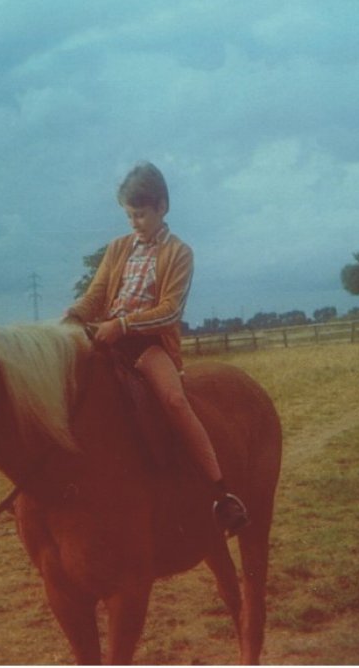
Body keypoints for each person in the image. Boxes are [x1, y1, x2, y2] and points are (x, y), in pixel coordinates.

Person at [65, 162, 249, 538]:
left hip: (148, 343)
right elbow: (96, 295)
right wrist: (69, 319)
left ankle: (220, 493)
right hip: (106, 337)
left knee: (175, 401)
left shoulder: (180, 253)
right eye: (130, 215)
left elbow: (170, 311)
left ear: (162, 207)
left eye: (141, 214)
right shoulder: (118, 248)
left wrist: (123, 325)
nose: (135, 222)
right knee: (66, 392)